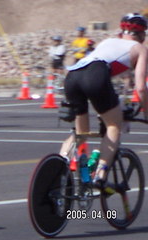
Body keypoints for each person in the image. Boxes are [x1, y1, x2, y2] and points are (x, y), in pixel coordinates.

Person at [60, 13, 148, 188]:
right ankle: (99, 175)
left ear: (121, 32)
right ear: (142, 34)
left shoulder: (107, 42)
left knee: (81, 133)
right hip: (95, 76)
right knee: (114, 125)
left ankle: (59, 168)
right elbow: (140, 88)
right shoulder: (140, 49)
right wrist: (146, 112)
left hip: (72, 76)